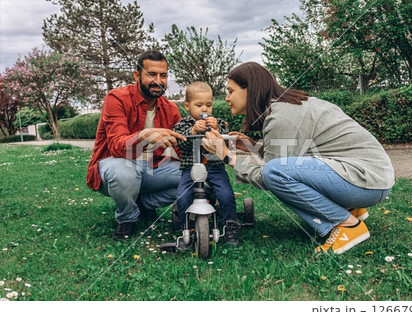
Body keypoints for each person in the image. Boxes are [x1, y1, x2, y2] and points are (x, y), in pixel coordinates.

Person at [202, 62, 394, 255]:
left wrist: (226, 155)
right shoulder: (287, 106)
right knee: (277, 169)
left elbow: (268, 175)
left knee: (274, 172)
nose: (226, 98)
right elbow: (297, 154)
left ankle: (347, 225)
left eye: (230, 91)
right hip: (371, 178)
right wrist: (254, 147)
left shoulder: (281, 116)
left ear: (249, 90)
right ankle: (350, 208)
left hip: (364, 182)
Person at [86, 51, 186, 240]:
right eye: (151, 74)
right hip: (115, 164)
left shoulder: (171, 108)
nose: (158, 80)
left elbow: (183, 147)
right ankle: (127, 219)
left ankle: (144, 203)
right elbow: (116, 145)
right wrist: (145, 135)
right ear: (137, 75)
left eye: (163, 75)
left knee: (194, 176)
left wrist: (207, 143)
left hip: (152, 168)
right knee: (124, 172)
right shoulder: (116, 98)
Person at [173, 81, 240, 246]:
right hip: (191, 169)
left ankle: (229, 227)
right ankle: (186, 231)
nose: (205, 109)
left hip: (215, 168)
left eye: (208, 105)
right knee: (183, 196)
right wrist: (193, 132)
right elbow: (180, 143)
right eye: (199, 105)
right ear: (187, 106)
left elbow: (227, 142)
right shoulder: (183, 125)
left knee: (225, 194)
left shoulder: (217, 123)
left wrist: (218, 129)